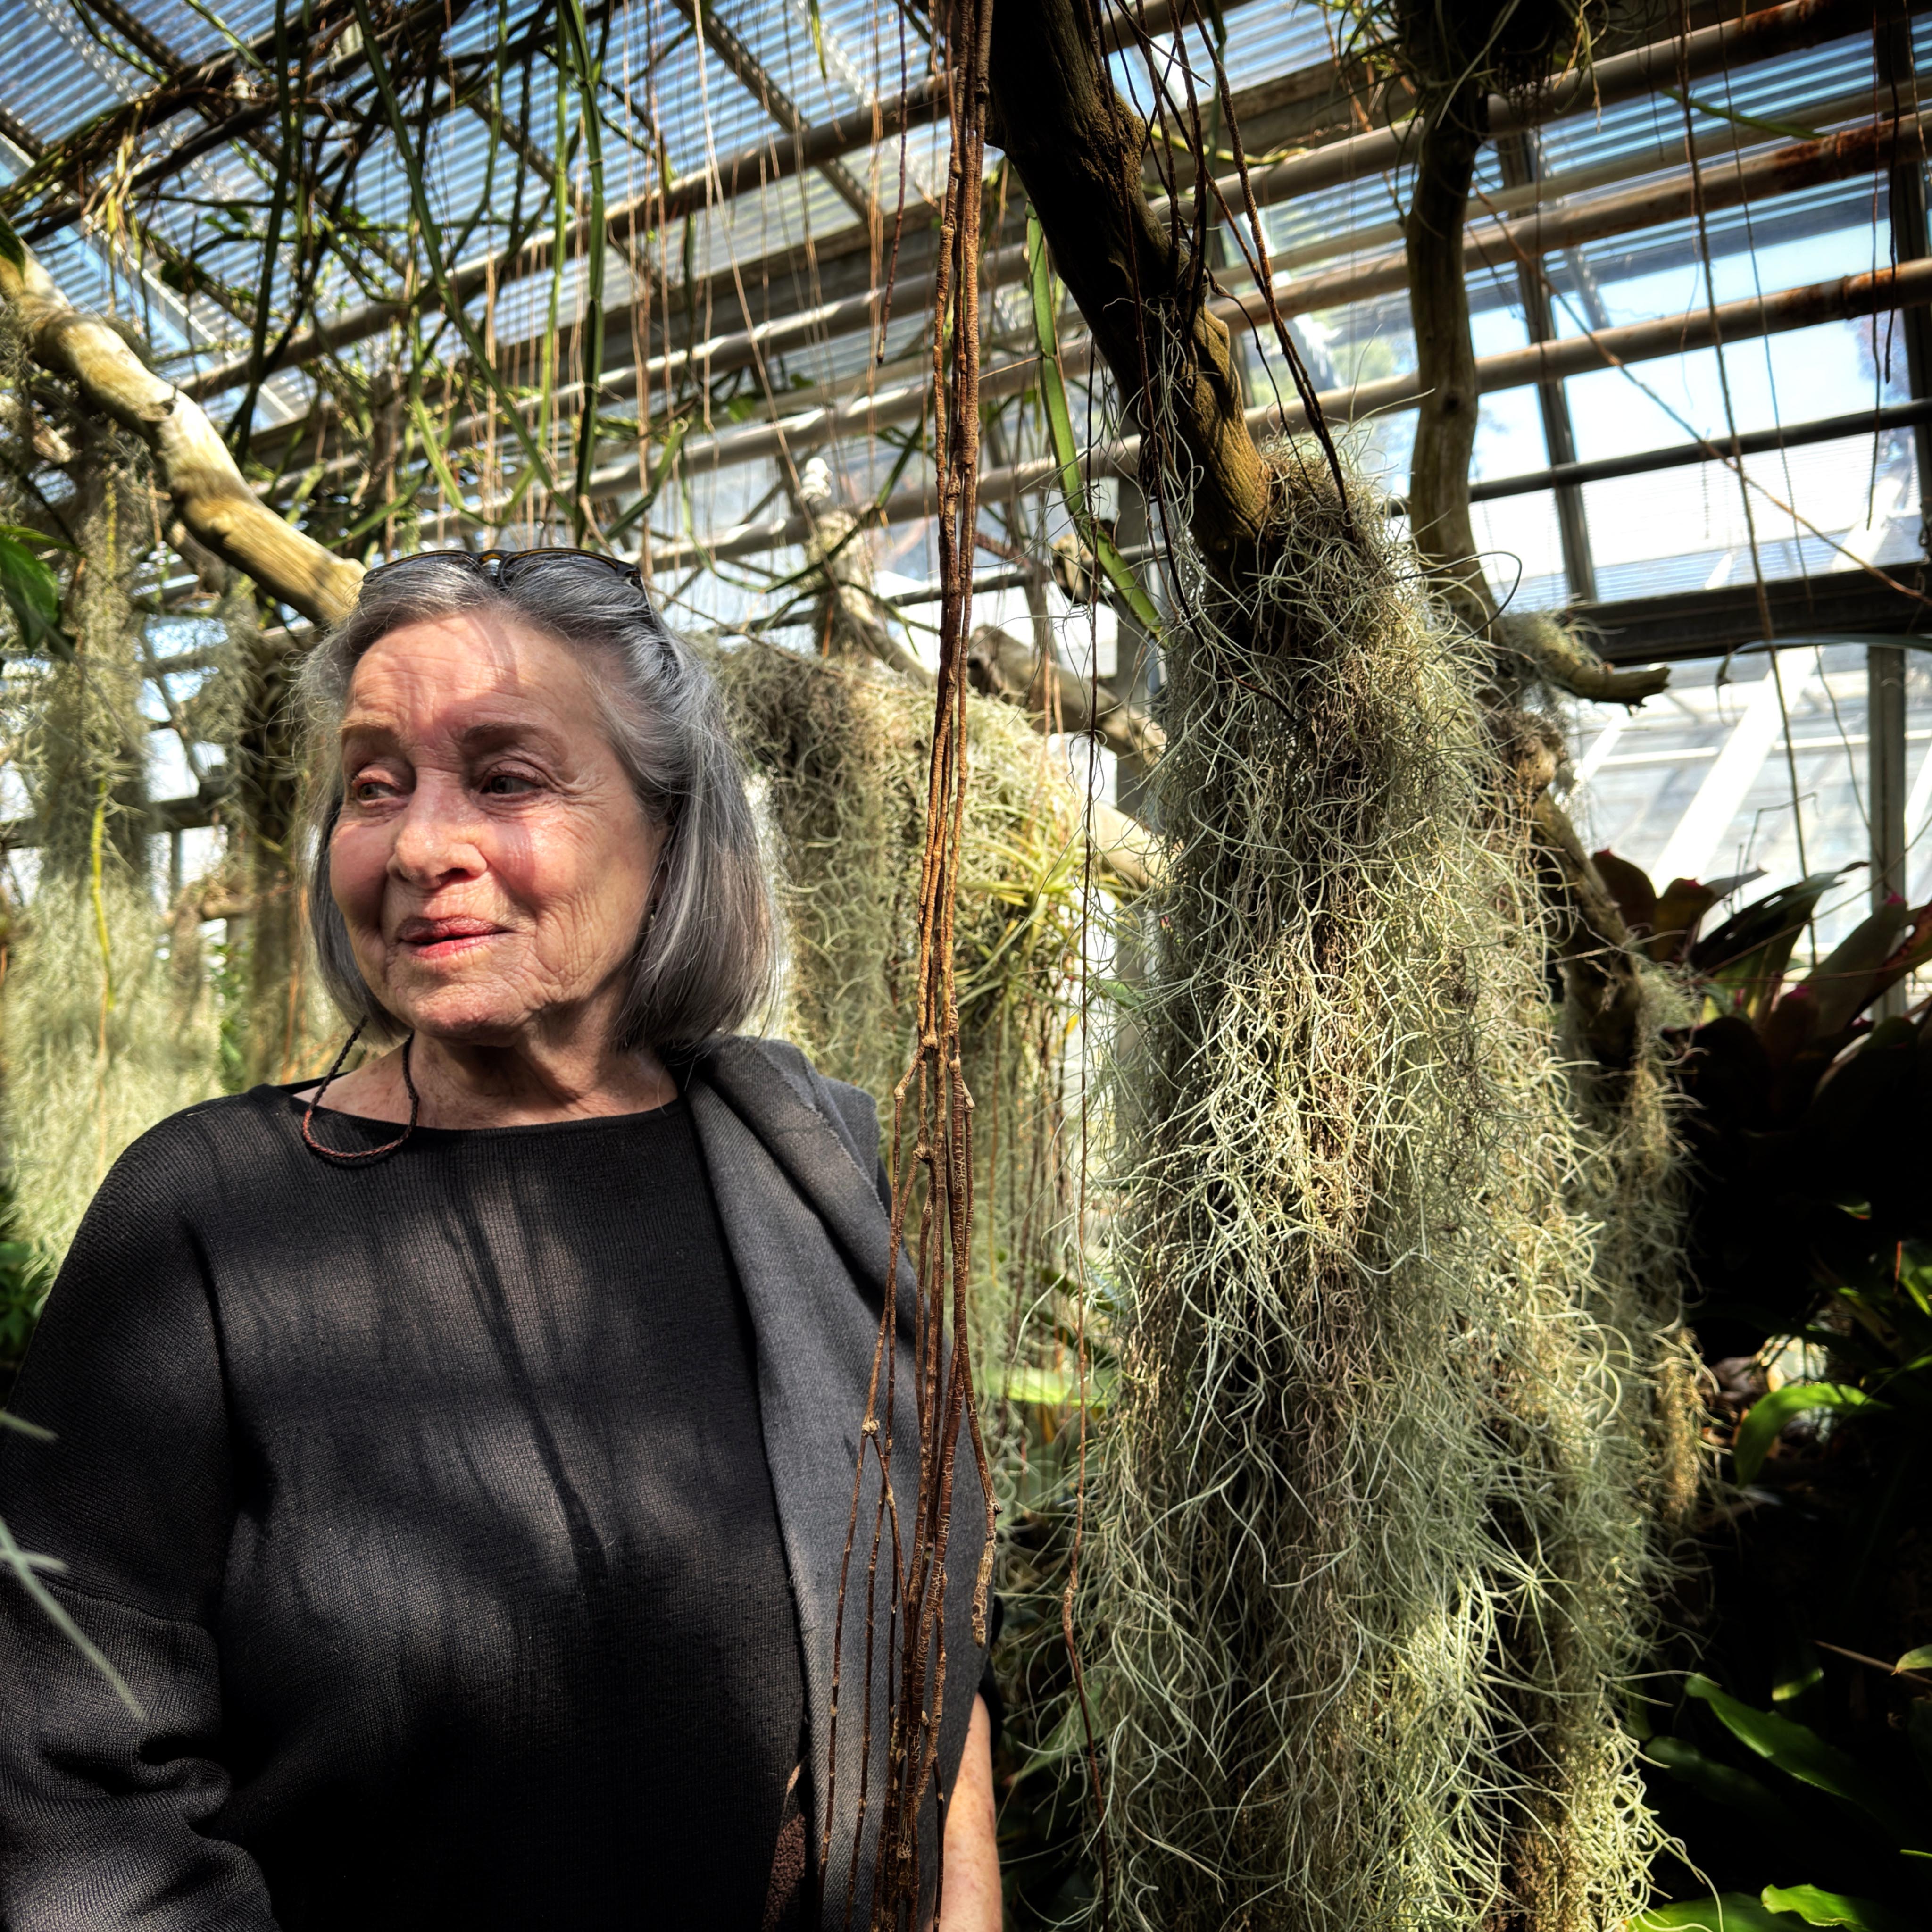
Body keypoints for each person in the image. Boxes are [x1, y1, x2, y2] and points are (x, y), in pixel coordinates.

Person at [0, 550, 1000, 1932]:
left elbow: (927, 1642)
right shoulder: (205, 1214)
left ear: (670, 830)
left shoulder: (811, 1172)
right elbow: (68, 1773)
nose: (420, 847)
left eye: (507, 778)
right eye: (373, 785)